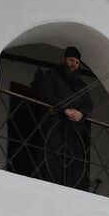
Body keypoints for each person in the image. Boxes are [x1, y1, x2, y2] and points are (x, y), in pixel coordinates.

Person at [40, 46, 93, 188]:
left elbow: (89, 105)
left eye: (77, 62)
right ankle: (50, 184)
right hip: (54, 124)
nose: (74, 64)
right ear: (65, 59)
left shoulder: (82, 85)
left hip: (74, 129)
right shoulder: (52, 74)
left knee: (72, 161)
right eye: (71, 60)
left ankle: (71, 187)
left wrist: (81, 113)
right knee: (52, 156)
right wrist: (65, 110)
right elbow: (46, 93)